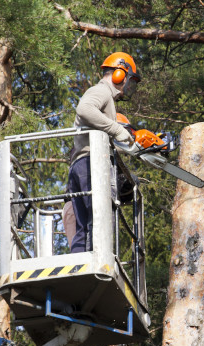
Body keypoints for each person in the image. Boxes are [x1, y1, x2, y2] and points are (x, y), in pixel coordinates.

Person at [67, 52, 141, 253]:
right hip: (92, 164)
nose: (128, 86)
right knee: (98, 221)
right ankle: (97, 261)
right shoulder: (102, 91)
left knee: (85, 227)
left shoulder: (105, 96)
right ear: (119, 74)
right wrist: (117, 129)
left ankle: (79, 267)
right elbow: (85, 109)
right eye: (129, 79)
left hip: (81, 164)